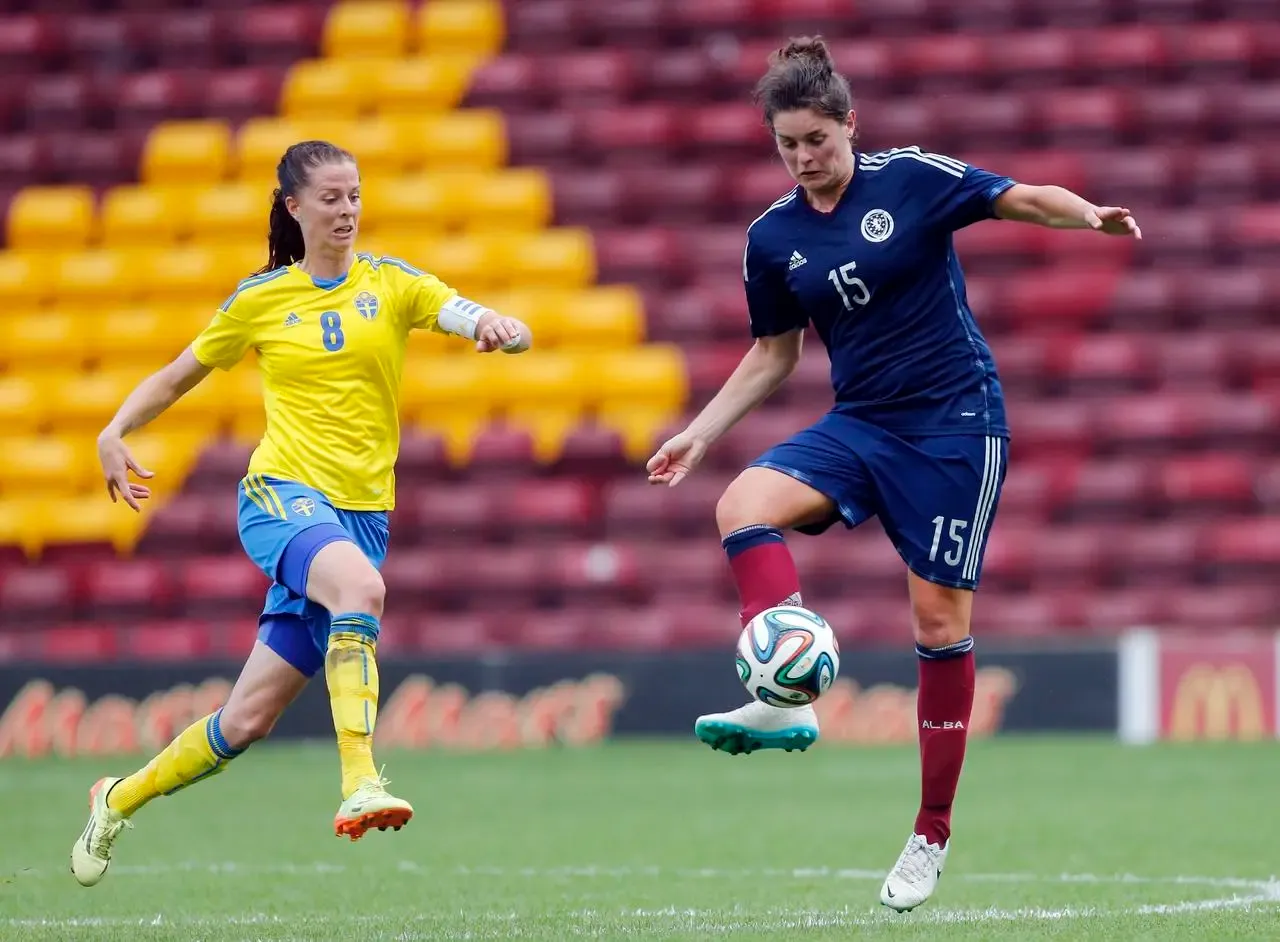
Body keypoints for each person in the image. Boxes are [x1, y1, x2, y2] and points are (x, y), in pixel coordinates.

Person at [645, 38, 1140, 913]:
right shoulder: (773, 238)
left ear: (849, 125)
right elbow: (774, 353)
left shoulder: (910, 178)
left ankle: (931, 832)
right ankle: (786, 691)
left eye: (817, 140)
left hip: (955, 425)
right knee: (741, 503)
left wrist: (1089, 216)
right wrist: (698, 432)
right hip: (863, 423)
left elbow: (1016, 197)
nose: (804, 158)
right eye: (788, 145)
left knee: (938, 619)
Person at [72, 140, 532, 887]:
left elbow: (457, 309)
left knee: (245, 722)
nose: (347, 210)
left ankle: (116, 797)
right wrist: (114, 430)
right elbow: (178, 374)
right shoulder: (261, 298)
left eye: (354, 195)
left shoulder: (392, 282)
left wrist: (492, 325)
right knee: (362, 592)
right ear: (295, 206)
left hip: (359, 519)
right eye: (330, 198)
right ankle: (361, 780)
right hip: (280, 497)